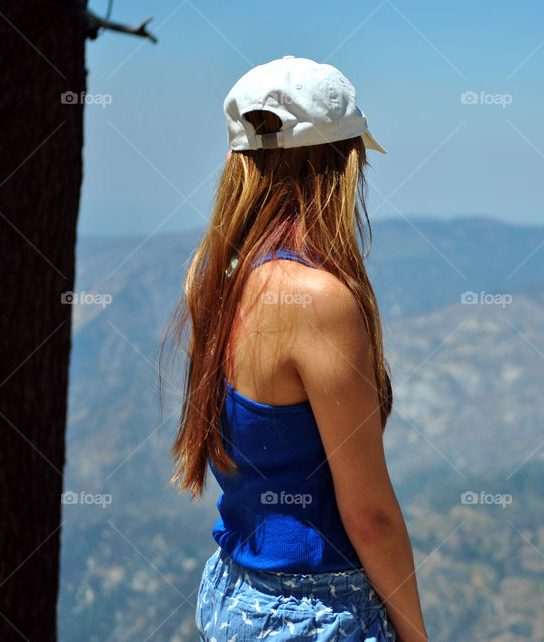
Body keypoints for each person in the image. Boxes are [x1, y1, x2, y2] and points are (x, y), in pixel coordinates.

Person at [164, 55, 428, 642]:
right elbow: (369, 515)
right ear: (344, 163)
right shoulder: (319, 300)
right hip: (312, 613)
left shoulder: (219, 277)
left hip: (235, 592)